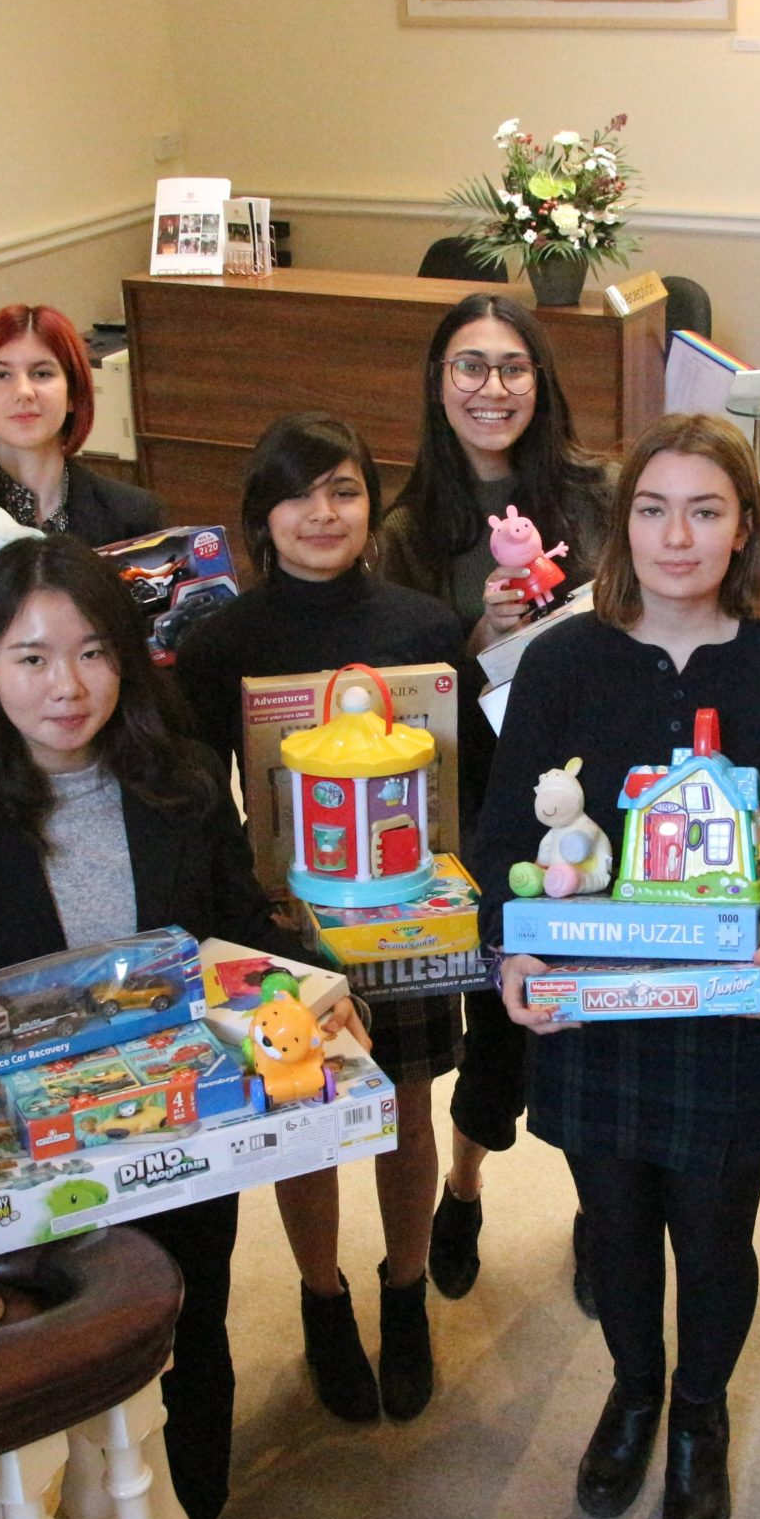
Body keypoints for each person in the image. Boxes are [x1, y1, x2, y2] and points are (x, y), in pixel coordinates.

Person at [0, 535, 332, 1519]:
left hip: (180, 1134)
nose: (64, 687)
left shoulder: (177, 783)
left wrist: (309, 989)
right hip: (32, 1164)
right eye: (29, 659)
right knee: (43, 1361)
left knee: (191, 1326)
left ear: (128, 660)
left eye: (89, 653)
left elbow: (239, 937)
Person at [475, 413, 760, 1519]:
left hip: (726, 1014)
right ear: (619, 526)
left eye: (703, 510)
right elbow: (499, 839)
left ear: (743, 531)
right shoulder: (560, 658)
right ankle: (635, 1392)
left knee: (715, 1234)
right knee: (617, 1225)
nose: (674, 535)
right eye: (651, 508)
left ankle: (697, 1416)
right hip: (594, 1009)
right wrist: (513, 950)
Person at [175, 412, 465, 1424]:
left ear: (372, 505)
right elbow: (200, 798)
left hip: (406, 918)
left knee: (407, 1109)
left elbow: (459, 789)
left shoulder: (424, 627)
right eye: (296, 494)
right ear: (259, 518)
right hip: (281, 926)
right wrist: (235, 915)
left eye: (343, 490)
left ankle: (406, 1291)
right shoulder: (220, 645)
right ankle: (323, 1298)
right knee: (303, 1121)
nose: (321, 513)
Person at [377, 292, 618, 1306]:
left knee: (591, 1011)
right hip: (474, 801)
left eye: (511, 366)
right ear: (438, 384)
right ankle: (465, 1187)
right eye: (467, 366)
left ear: (541, 380)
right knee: (495, 1022)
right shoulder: (404, 527)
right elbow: (398, 694)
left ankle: (601, 1206)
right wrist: (476, 641)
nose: (491, 387)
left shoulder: (597, 496)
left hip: (592, 790)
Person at [0, 302, 163, 544]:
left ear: (72, 395)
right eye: (1, 375)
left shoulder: (131, 514)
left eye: (42, 373)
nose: (23, 392)